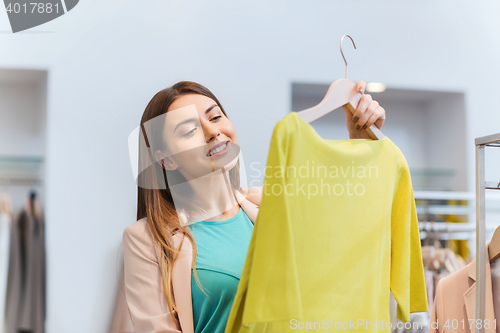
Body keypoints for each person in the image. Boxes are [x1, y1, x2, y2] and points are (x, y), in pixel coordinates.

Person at [122, 80, 386, 333]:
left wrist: (362, 141)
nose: (213, 131)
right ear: (166, 160)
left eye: (215, 118)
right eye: (189, 130)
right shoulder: (146, 239)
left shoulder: (274, 204)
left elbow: (353, 232)